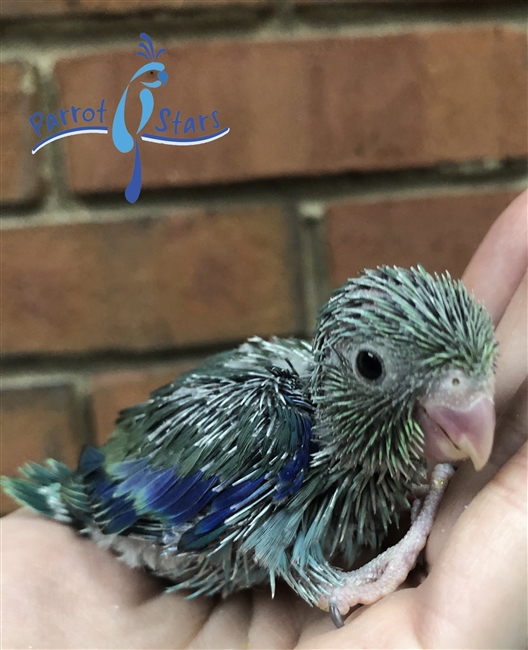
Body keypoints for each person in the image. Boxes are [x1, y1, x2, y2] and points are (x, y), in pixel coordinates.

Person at [2, 192, 526, 650]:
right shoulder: (272, 425)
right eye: (371, 366)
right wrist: (354, 578)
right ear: (341, 369)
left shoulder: (375, 445)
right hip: (134, 513)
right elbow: (266, 540)